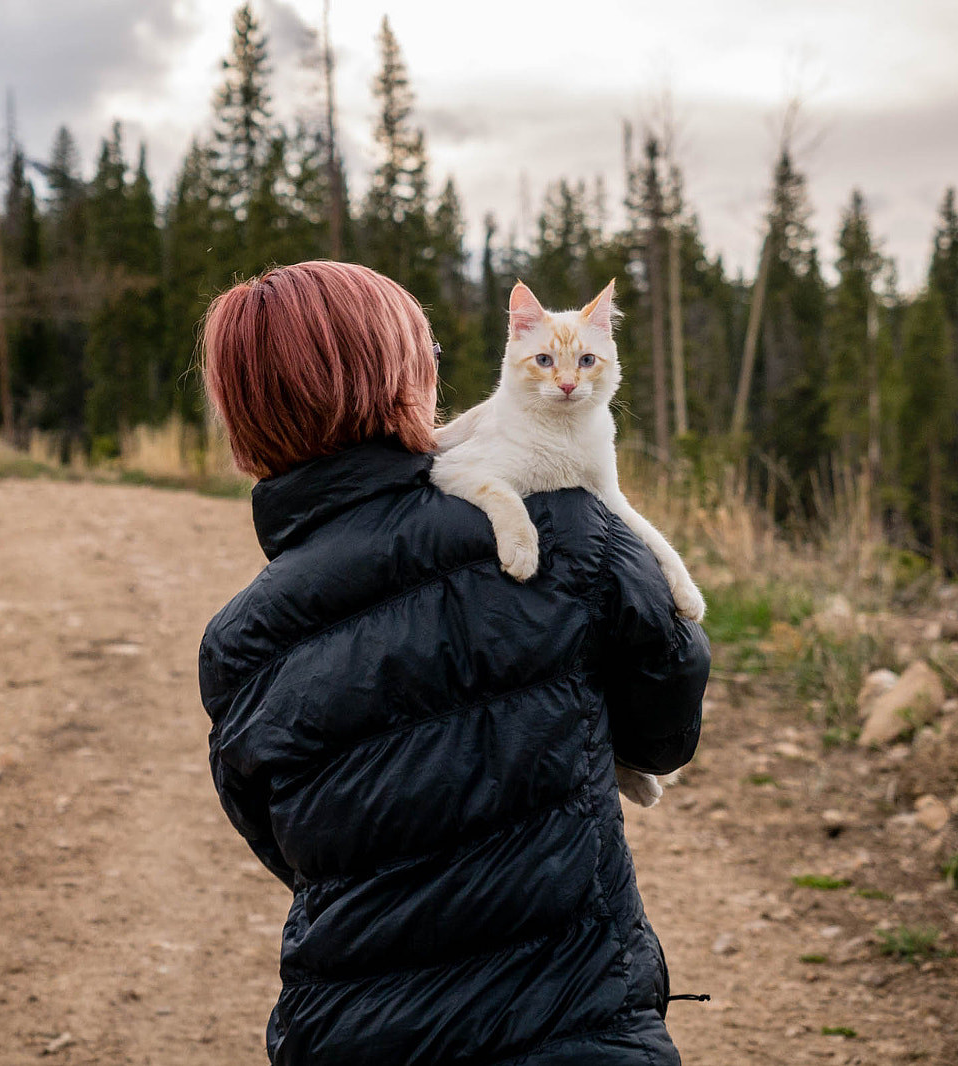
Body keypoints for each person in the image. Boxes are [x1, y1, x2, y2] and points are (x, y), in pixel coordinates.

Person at [197, 260, 710, 1065]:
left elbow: (288, 855)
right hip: (576, 1025)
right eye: (424, 346)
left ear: (243, 420)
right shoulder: (572, 531)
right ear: (405, 376)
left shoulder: (236, 646)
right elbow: (664, 736)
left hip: (348, 1041)